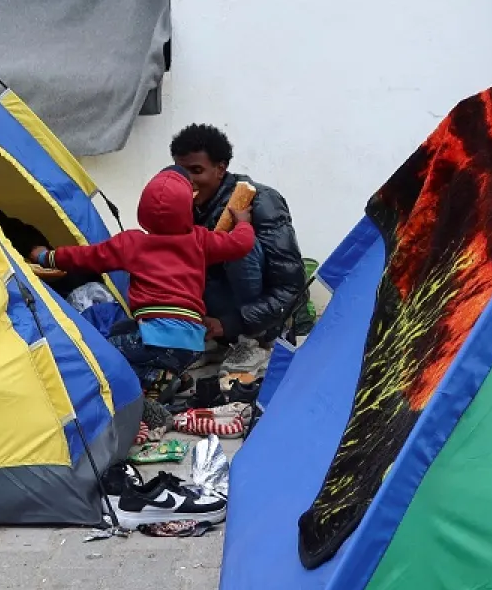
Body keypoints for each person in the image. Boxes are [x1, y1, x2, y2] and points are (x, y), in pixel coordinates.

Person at [32, 166, 254, 438]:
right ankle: (172, 376)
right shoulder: (200, 239)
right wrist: (242, 221)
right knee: (123, 333)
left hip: (153, 337)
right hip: (192, 342)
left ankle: (151, 387)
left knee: (99, 356)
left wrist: (46, 257)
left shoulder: (132, 243)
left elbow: (86, 256)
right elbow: (239, 244)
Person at [170, 123, 305, 375]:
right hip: (214, 316)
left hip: (259, 319)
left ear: (220, 169)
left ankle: (255, 343)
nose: (188, 182)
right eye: (181, 172)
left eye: (196, 170)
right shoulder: (182, 204)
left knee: (239, 242)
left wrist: (232, 323)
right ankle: (213, 341)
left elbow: (292, 288)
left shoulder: (262, 201)